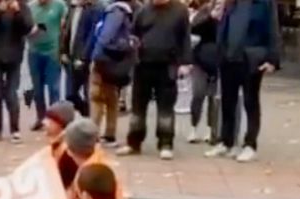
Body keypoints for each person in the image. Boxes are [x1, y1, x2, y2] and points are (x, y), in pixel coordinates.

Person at [204, 0, 281, 163]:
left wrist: (272, 59)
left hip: (251, 59)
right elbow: (223, 26)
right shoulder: (230, 3)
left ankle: (250, 145)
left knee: (250, 102)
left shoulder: (263, 3)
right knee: (228, 101)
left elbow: (273, 29)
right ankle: (226, 142)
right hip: (228, 57)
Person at [116, 0, 191, 160]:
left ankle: (165, 143)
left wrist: (185, 63)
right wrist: (132, 46)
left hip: (167, 66)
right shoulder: (143, 11)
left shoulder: (180, 11)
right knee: (138, 107)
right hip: (143, 65)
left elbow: (185, 37)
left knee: (165, 107)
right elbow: (133, 34)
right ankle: (134, 142)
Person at [0, 0, 34, 141]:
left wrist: (17, 12)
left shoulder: (22, 7)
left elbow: (27, 28)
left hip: (13, 58)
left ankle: (15, 130)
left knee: (12, 95)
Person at [89, 0, 136, 147]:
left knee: (96, 97)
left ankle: (94, 134)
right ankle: (110, 134)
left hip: (103, 62)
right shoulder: (127, 12)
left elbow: (105, 37)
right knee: (111, 98)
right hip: (114, 64)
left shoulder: (114, 12)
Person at [26, 0, 67, 131]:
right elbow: (24, 26)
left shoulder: (59, 5)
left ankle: (55, 120)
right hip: (34, 51)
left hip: (52, 52)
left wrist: (63, 47)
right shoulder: (30, 7)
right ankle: (41, 118)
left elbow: (66, 25)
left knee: (53, 88)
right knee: (37, 89)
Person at [61, 0, 102, 116]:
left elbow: (92, 35)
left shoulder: (95, 9)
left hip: (87, 58)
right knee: (70, 94)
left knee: (88, 93)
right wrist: (63, 51)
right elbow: (66, 31)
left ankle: (90, 122)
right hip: (71, 56)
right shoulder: (72, 9)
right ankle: (85, 111)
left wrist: (84, 57)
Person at [186, 0, 219, 145]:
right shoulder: (206, 11)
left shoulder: (231, 13)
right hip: (201, 60)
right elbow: (194, 29)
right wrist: (211, 18)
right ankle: (193, 128)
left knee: (214, 98)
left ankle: (210, 129)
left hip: (219, 62)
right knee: (198, 94)